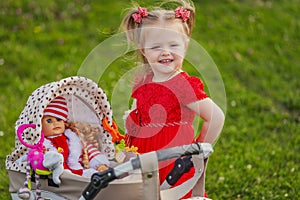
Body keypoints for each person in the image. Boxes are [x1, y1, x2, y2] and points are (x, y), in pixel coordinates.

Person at [121, 0, 225, 198]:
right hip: (145, 158)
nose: (166, 52)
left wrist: (197, 151)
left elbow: (216, 117)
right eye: (156, 46)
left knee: (173, 195)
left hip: (174, 162)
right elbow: (136, 116)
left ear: (185, 46)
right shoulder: (143, 80)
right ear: (143, 50)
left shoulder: (182, 86)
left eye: (173, 45)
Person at [42, 96, 110, 177]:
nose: (55, 123)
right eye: (49, 121)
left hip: (78, 170)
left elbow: (88, 149)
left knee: (94, 175)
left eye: (59, 119)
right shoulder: (43, 144)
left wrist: (99, 164)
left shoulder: (72, 137)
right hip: (59, 174)